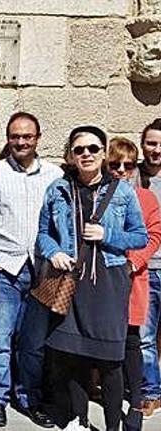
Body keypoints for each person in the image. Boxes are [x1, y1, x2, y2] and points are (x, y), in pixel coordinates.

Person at [37, 126, 148, 431]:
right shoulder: (57, 190)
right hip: (70, 281)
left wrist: (107, 234)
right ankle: (80, 420)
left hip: (109, 281)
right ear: (70, 155)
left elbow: (140, 237)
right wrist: (54, 251)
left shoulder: (122, 191)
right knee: (74, 357)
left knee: (111, 361)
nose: (86, 154)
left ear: (103, 152)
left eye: (93, 149)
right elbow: (43, 234)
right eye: (79, 149)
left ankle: (113, 426)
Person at [0, 112, 61, 428]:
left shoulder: (54, 175)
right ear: (7, 138)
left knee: (33, 343)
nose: (21, 142)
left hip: (42, 270)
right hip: (1, 267)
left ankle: (28, 399)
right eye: (15, 136)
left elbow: (61, 221)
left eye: (27, 136)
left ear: (38, 138)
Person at [107, 137, 161, 430]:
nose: (122, 170)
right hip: (102, 281)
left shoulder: (145, 197)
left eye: (128, 165)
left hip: (133, 277)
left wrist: (132, 262)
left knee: (134, 341)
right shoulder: (99, 193)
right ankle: (113, 404)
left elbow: (154, 235)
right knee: (108, 343)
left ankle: (138, 401)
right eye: (115, 165)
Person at [139, 118, 161, 417]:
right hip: (147, 268)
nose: (157, 149)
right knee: (145, 336)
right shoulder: (133, 177)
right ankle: (150, 391)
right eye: (152, 143)